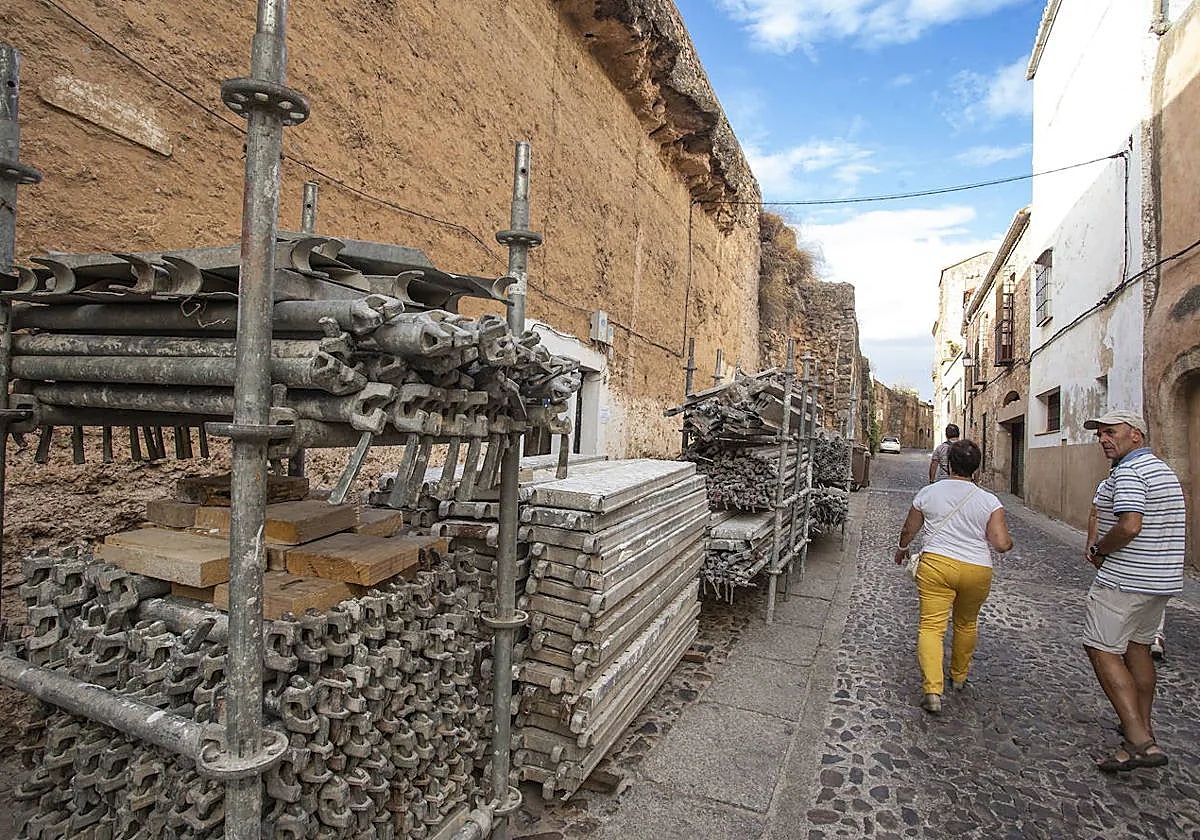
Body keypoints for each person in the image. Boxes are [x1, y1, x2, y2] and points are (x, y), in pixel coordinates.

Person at [1081, 410, 1186, 772]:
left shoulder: (1129, 473)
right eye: (1100, 435)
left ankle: (1139, 739)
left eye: (1111, 432)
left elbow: (1129, 525)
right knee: (1137, 650)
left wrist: (1100, 550)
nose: (1104, 439)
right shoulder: (1163, 470)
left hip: (1126, 580)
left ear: (1135, 436)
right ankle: (1140, 734)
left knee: (1101, 648)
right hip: (1159, 582)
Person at [894, 439, 1013, 713]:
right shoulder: (989, 501)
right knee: (967, 623)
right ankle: (959, 677)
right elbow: (1000, 543)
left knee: (931, 627)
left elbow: (909, 529)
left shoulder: (929, 493)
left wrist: (902, 550)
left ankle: (933, 690)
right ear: (976, 469)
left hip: (936, 566)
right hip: (976, 569)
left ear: (948, 465)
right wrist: (1009, 544)